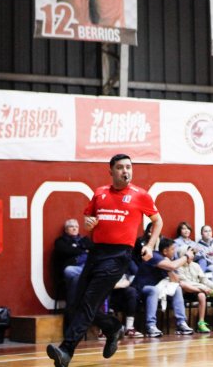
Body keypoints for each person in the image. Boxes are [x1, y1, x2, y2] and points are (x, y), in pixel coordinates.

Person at [47, 154, 162, 367]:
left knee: (89, 303)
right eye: (120, 168)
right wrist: (88, 224)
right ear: (111, 171)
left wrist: (150, 244)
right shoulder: (99, 193)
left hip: (119, 256)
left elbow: (158, 220)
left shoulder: (141, 195)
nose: (125, 171)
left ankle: (66, 350)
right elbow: (88, 220)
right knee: (76, 304)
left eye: (128, 167)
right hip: (96, 252)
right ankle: (112, 328)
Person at [132, 237, 194, 338]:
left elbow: (175, 280)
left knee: (177, 288)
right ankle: (150, 325)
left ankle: (181, 323)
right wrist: (186, 256)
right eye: (173, 249)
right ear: (165, 251)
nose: (175, 252)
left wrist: (169, 268)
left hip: (158, 288)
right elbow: (173, 266)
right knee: (154, 290)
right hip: (141, 288)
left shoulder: (167, 261)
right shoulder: (154, 256)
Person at [176, 245, 213, 334]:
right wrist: (203, 288)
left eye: (193, 253)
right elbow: (186, 282)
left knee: (202, 295)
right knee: (183, 285)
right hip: (185, 291)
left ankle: (201, 323)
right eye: (191, 253)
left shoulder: (196, 265)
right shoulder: (178, 267)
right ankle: (208, 292)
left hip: (198, 289)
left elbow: (204, 280)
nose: (193, 255)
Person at [53, 218, 93, 305]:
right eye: (71, 227)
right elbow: (67, 251)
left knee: (77, 279)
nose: (74, 228)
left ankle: (74, 306)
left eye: (76, 227)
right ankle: (75, 307)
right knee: (70, 272)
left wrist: (78, 250)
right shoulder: (60, 241)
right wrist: (84, 251)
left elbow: (93, 250)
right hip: (73, 268)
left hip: (86, 266)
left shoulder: (85, 239)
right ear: (66, 230)